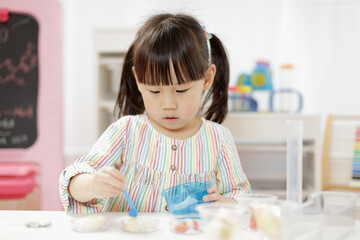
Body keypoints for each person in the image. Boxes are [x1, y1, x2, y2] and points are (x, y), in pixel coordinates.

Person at [59, 13, 250, 213]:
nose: (168, 104)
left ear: (206, 79)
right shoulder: (126, 131)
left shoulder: (220, 140)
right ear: (138, 80)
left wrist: (225, 204)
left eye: (181, 90)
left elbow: (240, 196)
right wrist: (92, 185)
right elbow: (72, 182)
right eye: (155, 91)